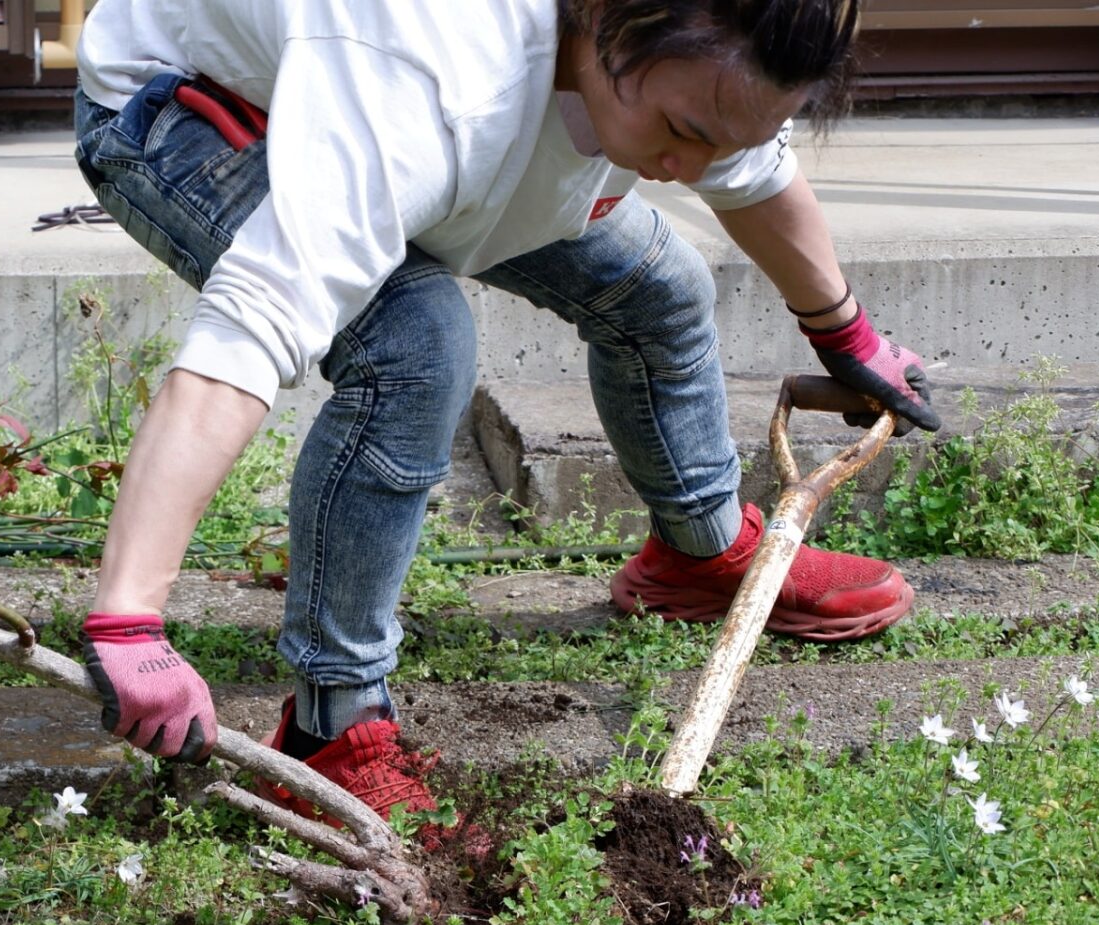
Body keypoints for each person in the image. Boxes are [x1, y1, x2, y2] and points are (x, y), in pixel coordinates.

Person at [71, 0, 939, 821]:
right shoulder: (426, 78)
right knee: (414, 343)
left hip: (432, 131)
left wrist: (846, 333)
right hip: (198, 101)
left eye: (722, 141)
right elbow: (245, 338)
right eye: (684, 135)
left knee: (661, 287)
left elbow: (753, 172)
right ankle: (332, 728)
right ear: (607, 22)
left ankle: (697, 557)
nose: (693, 171)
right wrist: (128, 616)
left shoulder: (696, 51)